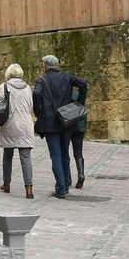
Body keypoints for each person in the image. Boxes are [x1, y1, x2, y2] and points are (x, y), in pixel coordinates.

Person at [33, 54, 87, 198]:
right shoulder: (67, 76)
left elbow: (37, 94)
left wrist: (38, 111)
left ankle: (60, 188)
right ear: (57, 65)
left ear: (45, 66)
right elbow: (83, 84)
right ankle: (67, 183)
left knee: (55, 155)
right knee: (65, 153)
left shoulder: (41, 80)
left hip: (50, 122)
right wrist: (79, 104)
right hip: (66, 120)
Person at [0, 64, 37, 199]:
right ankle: (29, 187)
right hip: (26, 122)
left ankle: (6, 183)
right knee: (25, 156)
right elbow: (31, 106)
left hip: (10, 123)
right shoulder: (27, 87)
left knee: (8, 154)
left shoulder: (4, 86)